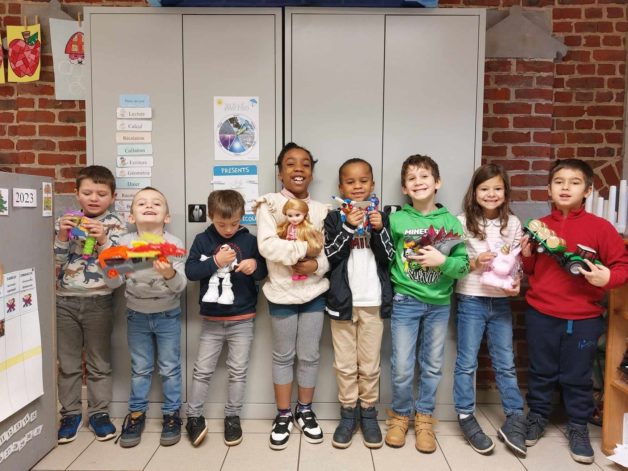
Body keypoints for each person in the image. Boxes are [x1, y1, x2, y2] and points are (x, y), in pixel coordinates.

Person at [521, 158, 628, 464]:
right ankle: (537, 416)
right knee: (540, 370)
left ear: (588, 190)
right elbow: (532, 269)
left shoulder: (601, 228)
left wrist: (608, 279)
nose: (565, 188)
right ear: (549, 189)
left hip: (583, 319)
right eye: (559, 182)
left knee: (578, 375)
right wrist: (526, 257)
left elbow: (622, 266)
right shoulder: (540, 226)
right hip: (541, 314)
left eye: (574, 182)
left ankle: (578, 426)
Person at [386, 154, 469, 453]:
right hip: (405, 301)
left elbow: (463, 266)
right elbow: (384, 257)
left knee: (432, 366)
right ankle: (399, 416)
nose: (418, 182)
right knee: (402, 367)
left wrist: (442, 261)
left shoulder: (451, 222)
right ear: (404, 188)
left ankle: (424, 419)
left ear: (437, 183)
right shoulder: (396, 220)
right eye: (411, 178)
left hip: (439, 304)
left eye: (424, 176)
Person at [255, 142, 330, 450]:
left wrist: (316, 265)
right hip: (281, 293)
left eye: (305, 164)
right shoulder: (269, 205)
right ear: (280, 172)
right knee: (283, 355)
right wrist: (304, 250)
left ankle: (305, 410)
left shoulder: (323, 210)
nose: (299, 169)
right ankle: (284, 414)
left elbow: (328, 253)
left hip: (314, 292)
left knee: (310, 355)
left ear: (311, 172)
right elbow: (267, 246)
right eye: (290, 163)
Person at [453, 164, 526, 456]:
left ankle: (515, 417)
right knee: (466, 362)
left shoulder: (514, 223)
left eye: (497, 188)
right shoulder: (461, 222)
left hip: (501, 302)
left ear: (505, 192)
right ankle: (465, 415)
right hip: (471, 299)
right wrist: (475, 262)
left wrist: (517, 281)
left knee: (505, 362)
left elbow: (516, 263)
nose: (491, 194)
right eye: (484, 188)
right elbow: (455, 265)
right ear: (474, 192)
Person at [184, 190, 267, 447]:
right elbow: (191, 271)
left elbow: (263, 271)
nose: (229, 229)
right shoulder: (202, 240)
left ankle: (232, 417)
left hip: (242, 318)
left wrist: (255, 266)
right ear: (211, 216)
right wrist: (215, 261)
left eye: (234, 223)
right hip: (211, 319)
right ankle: (193, 417)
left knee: (238, 371)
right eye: (222, 224)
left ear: (242, 217)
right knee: (202, 370)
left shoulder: (250, 241)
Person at [324, 158, 394, 449]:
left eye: (363, 181)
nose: (357, 186)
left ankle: (368, 413)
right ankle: (347, 414)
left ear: (372, 184)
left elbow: (389, 257)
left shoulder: (381, 215)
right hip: (342, 302)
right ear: (341, 187)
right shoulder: (333, 217)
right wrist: (349, 228)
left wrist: (380, 229)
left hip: (373, 301)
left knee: (370, 365)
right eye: (350, 182)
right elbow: (330, 255)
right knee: (344, 365)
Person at [54, 165, 126, 444]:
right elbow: (56, 261)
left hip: (99, 301)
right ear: (76, 193)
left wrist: (103, 239)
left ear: (113, 197)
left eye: (101, 193)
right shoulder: (66, 221)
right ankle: (70, 413)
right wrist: (62, 236)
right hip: (64, 301)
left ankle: (99, 413)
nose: (94, 198)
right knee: (68, 363)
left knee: (98, 362)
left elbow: (118, 269)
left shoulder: (116, 225)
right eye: (87, 193)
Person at [115, 187, 187, 448]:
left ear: (166, 217)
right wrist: (132, 263)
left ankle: (172, 415)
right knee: (140, 368)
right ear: (131, 216)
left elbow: (180, 286)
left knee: (170, 368)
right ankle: (136, 414)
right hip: (136, 315)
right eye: (142, 203)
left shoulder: (175, 244)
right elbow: (112, 282)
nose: (149, 206)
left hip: (168, 314)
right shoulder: (124, 243)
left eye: (156, 203)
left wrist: (168, 273)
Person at [277, 198, 323, 281]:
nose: (294, 219)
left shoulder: (307, 228)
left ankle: (301, 274)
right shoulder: (289, 226)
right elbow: (288, 235)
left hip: (302, 248)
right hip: (292, 246)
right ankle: (296, 273)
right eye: (290, 216)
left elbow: (310, 239)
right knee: (294, 263)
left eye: (297, 215)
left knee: (301, 263)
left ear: (304, 214)